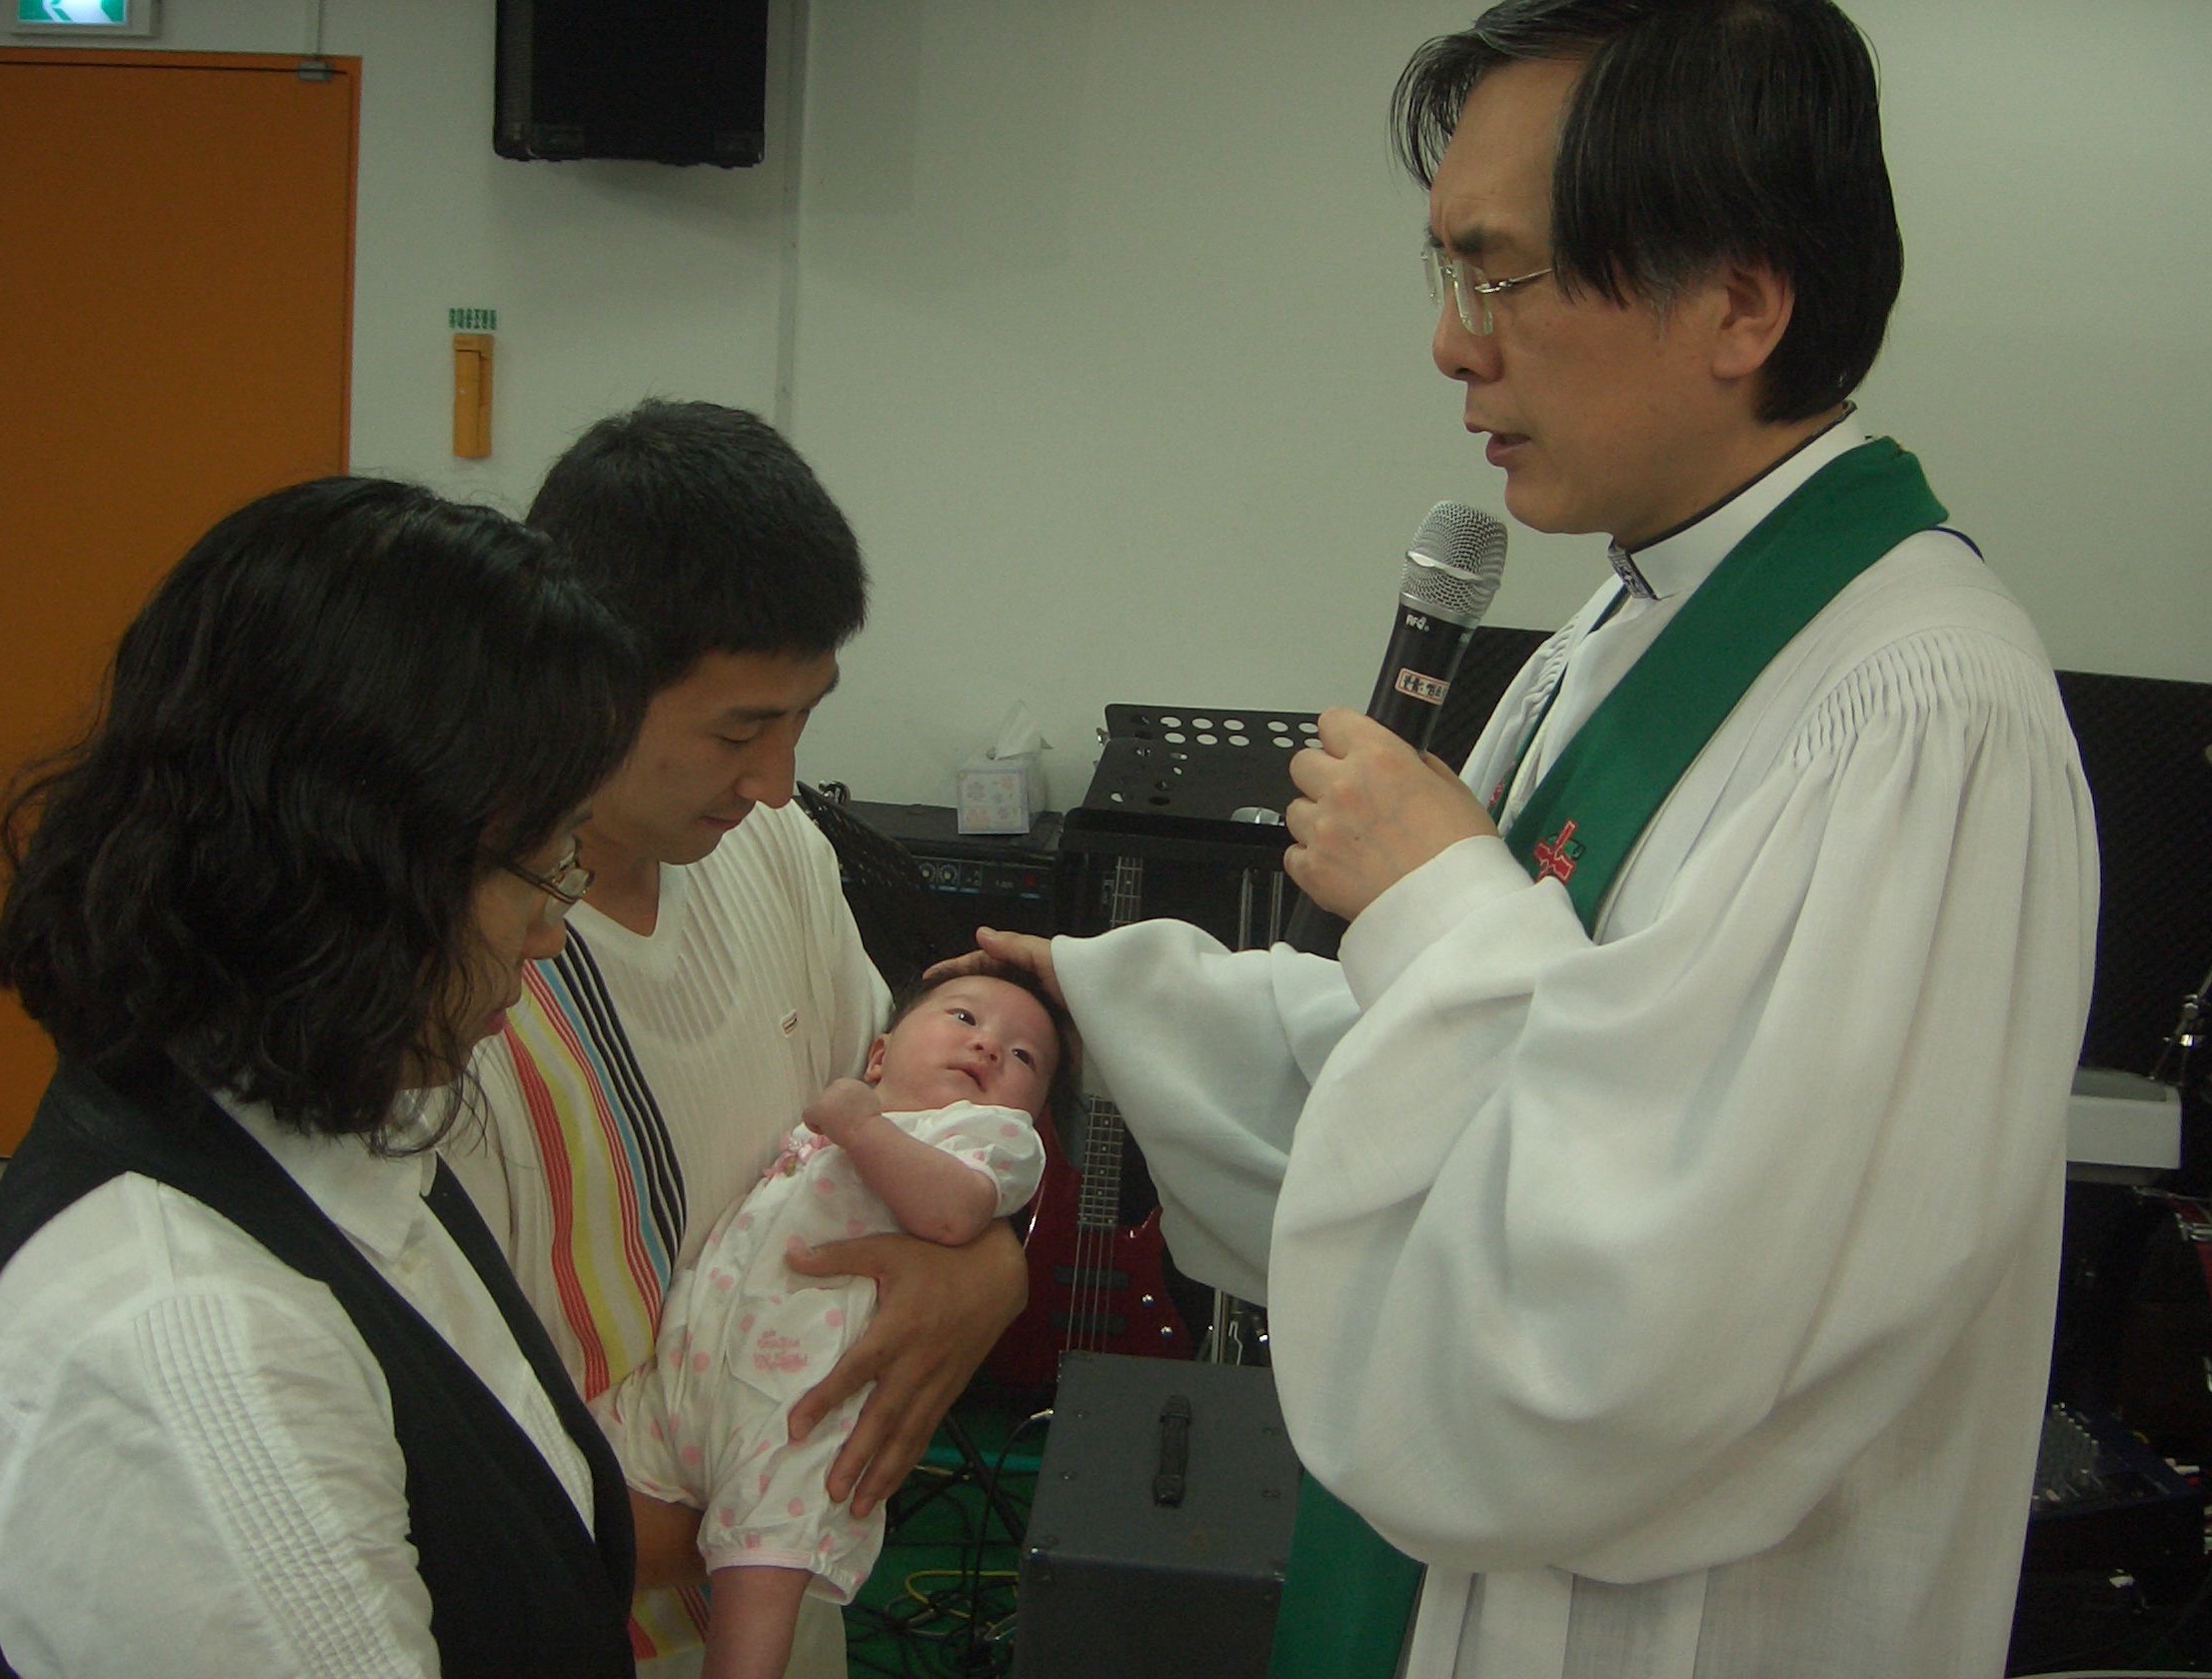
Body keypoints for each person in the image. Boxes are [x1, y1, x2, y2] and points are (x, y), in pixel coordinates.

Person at [947, 3, 2099, 1676]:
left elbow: (1667, 1310)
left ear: (1743, 301)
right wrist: (1123, 1001)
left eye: (1501, 277)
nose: (1450, 344)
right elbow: (1436, 1088)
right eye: (1447, 273)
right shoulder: (1617, 630)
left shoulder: (1916, 715)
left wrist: (1435, 897)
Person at [0, 478, 650, 1677]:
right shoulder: (191, 1343)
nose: (555, 930)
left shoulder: (339, 1113)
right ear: (356, 862)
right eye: (537, 866)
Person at [444, 401, 1030, 1678]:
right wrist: (776, 1491)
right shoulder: (461, 980)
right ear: (579, 680)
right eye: (734, 730)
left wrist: (990, 1267)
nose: (774, 779)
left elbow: (907, 1127)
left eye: (801, 717)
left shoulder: (776, 854)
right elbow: (450, 1495)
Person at [601, 969, 1064, 1679]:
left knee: (762, 1567)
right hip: (691, 1364)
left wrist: (860, 1127)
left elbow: (953, 1212)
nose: (990, 1046)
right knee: (570, 1484)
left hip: (802, 1407)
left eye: (1024, 1056)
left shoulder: (983, 1136)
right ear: (878, 1055)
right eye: (965, 1018)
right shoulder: (842, 1116)